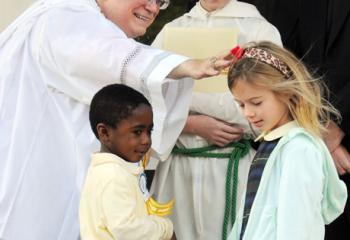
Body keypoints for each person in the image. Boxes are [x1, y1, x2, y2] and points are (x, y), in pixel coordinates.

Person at [0, 0, 232, 239]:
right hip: (39, 185)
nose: (153, 8)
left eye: (160, 2)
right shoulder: (65, 14)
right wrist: (187, 65)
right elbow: (107, 55)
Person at [150, 1, 281, 239]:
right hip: (177, 170)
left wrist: (180, 100)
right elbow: (144, 104)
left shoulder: (260, 30)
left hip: (232, 166)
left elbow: (267, 111)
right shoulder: (171, 30)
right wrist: (188, 124)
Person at [237, 0, 350, 238]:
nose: (246, 112)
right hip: (291, 127)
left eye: (252, 104)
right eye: (241, 105)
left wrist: (334, 129)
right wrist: (317, 126)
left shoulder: (302, 150)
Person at [80, 84, 175, 240]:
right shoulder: (112, 176)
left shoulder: (108, 170)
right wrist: (166, 229)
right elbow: (127, 230)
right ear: (104, 132)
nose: (146, 140)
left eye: (149, 131)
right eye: (137, 132)